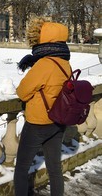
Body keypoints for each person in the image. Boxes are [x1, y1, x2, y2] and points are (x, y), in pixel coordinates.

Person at [14, 18, 71, 196]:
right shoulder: (65, 63)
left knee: (21, 168)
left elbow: (23, 92)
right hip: (58, 121)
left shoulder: (44, 64)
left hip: (38, 122)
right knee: (54, 169)